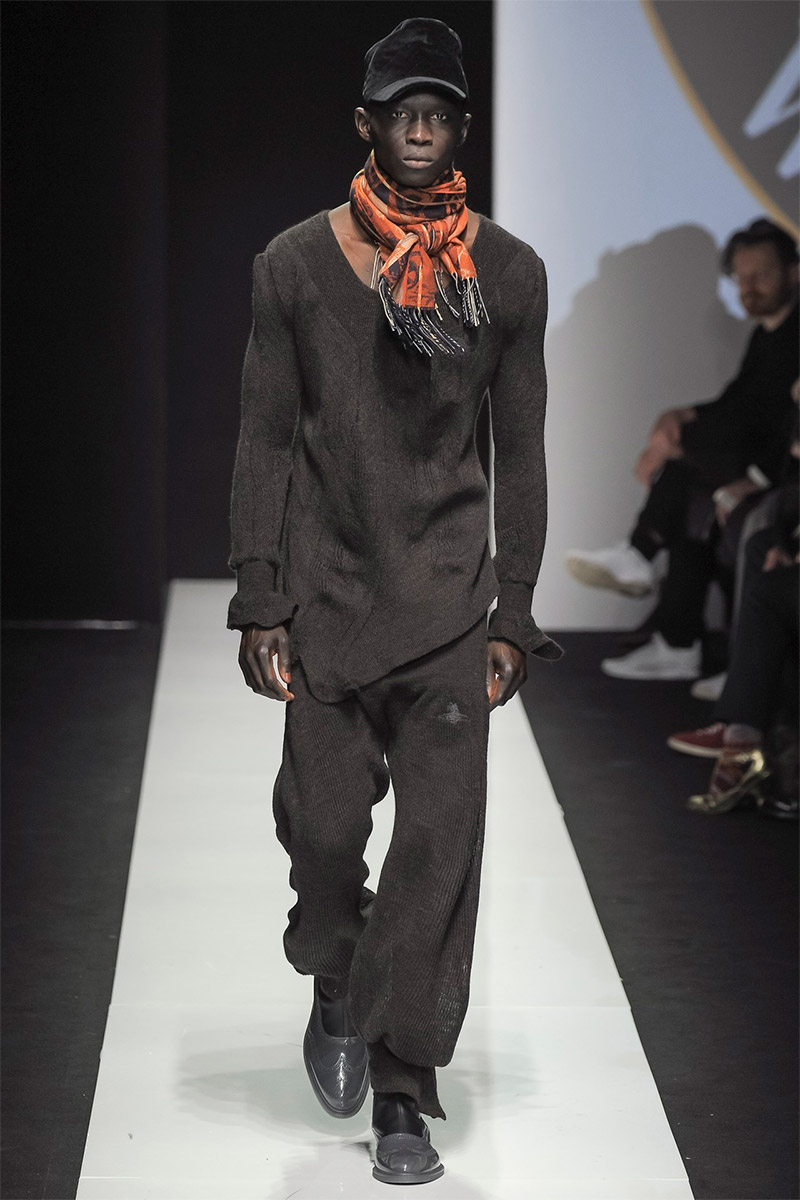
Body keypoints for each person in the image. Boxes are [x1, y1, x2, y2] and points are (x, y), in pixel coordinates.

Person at [226, 18, 561, 1186]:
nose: (420, 126)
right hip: (324, 599)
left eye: (439, 110)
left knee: (435, 854)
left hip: (447, 607)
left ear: (459, 127)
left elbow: (518, 452)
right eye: (400, 108)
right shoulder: (290, 266)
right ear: (365, 123)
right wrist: (259, 596)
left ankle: (403, 1086)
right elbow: (266, 437)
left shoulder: (505, 274)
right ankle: (333, 966)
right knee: (323, 841)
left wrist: (512, 609)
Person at [565, 218, 798, 681]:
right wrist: (679, 416)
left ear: (794, 272)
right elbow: (738, 402)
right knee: (692, 499)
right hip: (756, 467)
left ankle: (643, 562)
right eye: (741, 277)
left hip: (783, 476)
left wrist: (752, 477)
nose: (748, 287)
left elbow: (787, 425)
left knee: (690, 468)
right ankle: (676, 641)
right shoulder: (767, 335)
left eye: (761, 275)